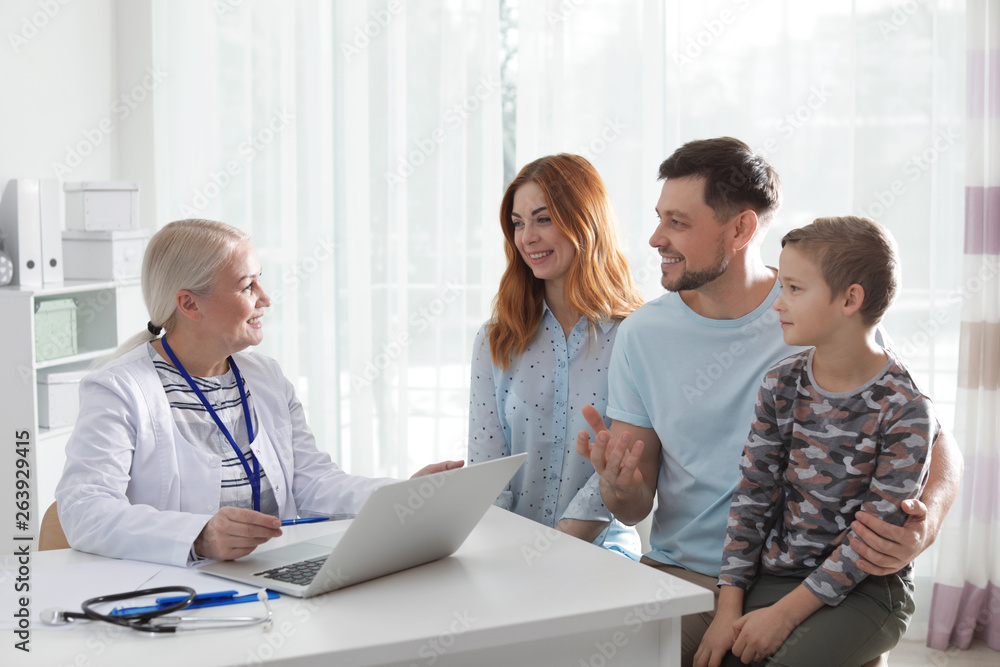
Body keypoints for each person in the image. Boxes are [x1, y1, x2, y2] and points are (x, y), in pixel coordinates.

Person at [575, 137, 963, 666]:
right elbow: (636, 503)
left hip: (806, 577)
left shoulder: (819, 315)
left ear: (741, 229)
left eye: (678, 223)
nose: (655, 238)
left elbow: (934, 441)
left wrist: (925, 521)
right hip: (685, 571)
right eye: (659, 218)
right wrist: (619, 487)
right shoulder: (643, 335)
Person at [56, 219, 461, 567]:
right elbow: (84, 510)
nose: (265, 299)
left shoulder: (265, 378)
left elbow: (312, 483)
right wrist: (199, 536)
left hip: (270, 577)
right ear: (189, 304)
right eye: (248, 285)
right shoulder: (118, 389)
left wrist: (403, 495)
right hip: (176, 592)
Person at [696, 216, 937, 667]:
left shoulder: (907, 409)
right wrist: (727, 607)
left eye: (794, 289)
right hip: (780, 572)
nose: (778, 305)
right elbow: (754, 497)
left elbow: (872, 540)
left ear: (850, 299)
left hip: (868, 588)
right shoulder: (780, 384)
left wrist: (783, 617)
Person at [468, 153, 645, 558]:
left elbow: (619, 471)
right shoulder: (494, 341)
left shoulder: (634, 336)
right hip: (507, 555)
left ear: (585, 221)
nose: (527, 237)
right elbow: (485, 472)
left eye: (543, 219)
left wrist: (547, 555)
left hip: (603, 557)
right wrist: (502, 559)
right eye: (518, 223)